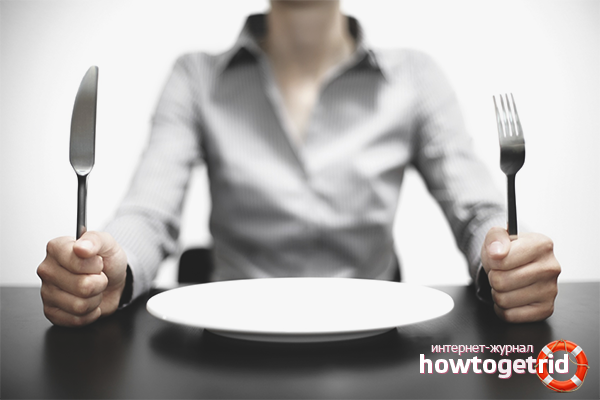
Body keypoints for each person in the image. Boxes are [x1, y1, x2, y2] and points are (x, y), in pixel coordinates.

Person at [37, 0, 560, 327]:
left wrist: (506, 261)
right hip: (228, 344)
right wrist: (109, 266)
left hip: (376, 343)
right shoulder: (195, 76)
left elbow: (478, 211)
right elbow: (149, 213)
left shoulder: (416, 77)